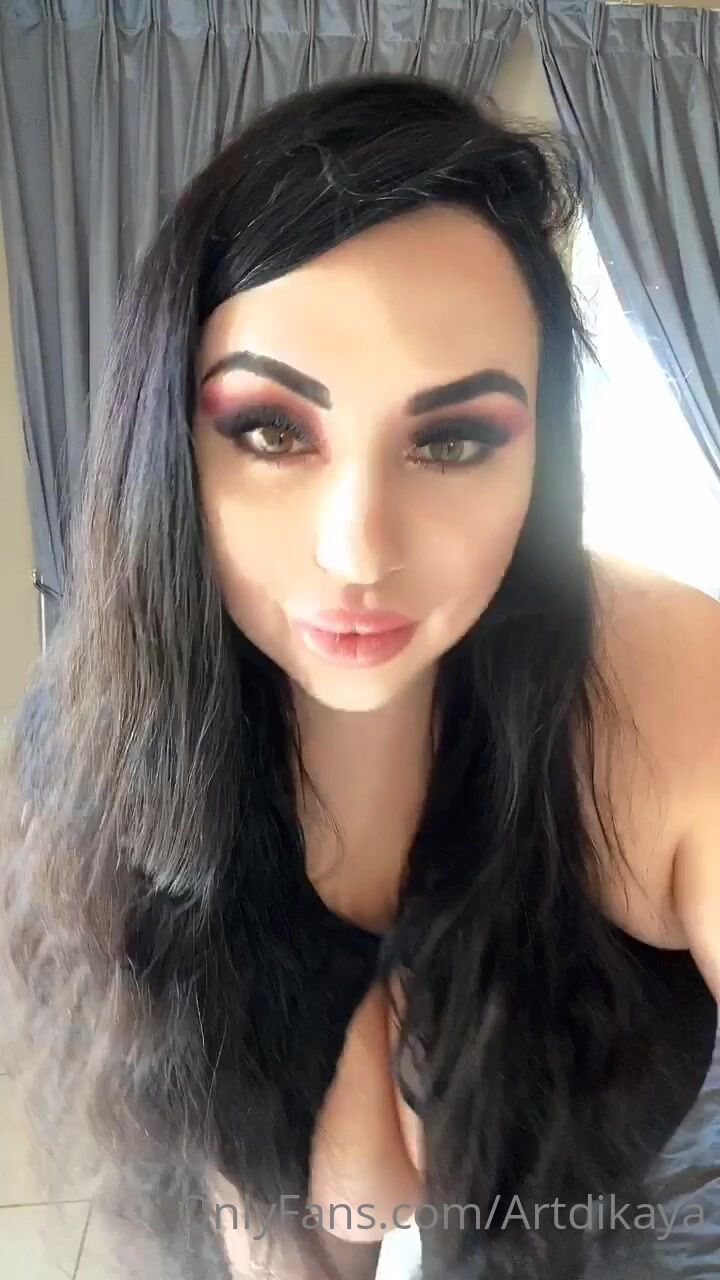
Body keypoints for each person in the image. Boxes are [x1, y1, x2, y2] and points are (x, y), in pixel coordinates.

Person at [0, 72, 718, 1280]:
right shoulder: (98, 753)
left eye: (452, 439)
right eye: (273, 430)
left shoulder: (667, 681)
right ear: (171, 443)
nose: (358, 550)